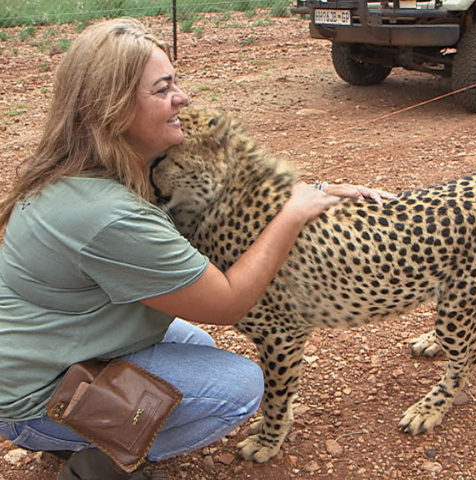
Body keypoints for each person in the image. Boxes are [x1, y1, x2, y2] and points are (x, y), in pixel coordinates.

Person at [0, 18, 394, 480]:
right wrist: (292, 214)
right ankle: (93, 460)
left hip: (50, 344)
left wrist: (313, 192)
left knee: (198, 347)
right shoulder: (109, 215)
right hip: (31, 396)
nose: (182, 99)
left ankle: (92, 427)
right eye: (164, 88)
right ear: (114, 109)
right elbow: (227, 302)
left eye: (176, 82)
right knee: (239, 388)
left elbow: (224, 199)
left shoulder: (94, 166)